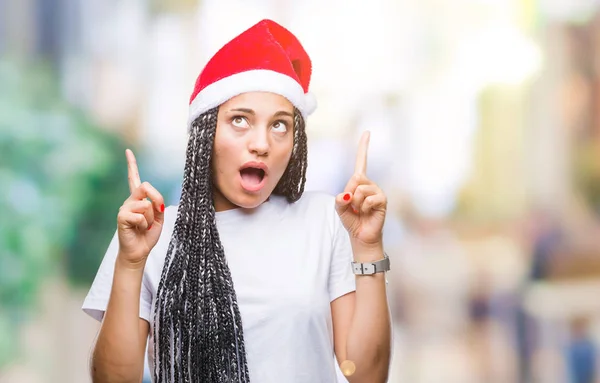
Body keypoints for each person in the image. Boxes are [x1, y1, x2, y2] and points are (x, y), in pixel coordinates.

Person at [82, 19, 392, 383]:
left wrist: (368, 248)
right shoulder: (152, 233)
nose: (261, 143)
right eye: (240, 120)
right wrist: (131, 263)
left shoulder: (326, 220)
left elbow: (366, 375)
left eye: (279, 125)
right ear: (205, 134)